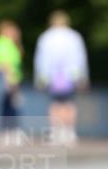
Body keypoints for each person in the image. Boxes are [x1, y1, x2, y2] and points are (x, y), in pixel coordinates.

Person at [34, 11, 89, 145]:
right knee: (69, 104)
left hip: (52, 76)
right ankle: (69, 132)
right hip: (71, 76)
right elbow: (80, 58)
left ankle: (56, 132)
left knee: (55, 104)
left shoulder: (46, 37)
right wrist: (84, 77)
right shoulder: (74, 36)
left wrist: (40, 77)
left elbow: (41, 60)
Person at [0, 20, 24, 139]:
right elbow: (2, 62)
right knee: (8, 105)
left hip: (13, 78)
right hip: (6, 79)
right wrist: (10, 77)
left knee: (11, 105)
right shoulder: (1, 42)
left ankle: (10, 131)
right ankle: (7, 131)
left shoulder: (12, 43)